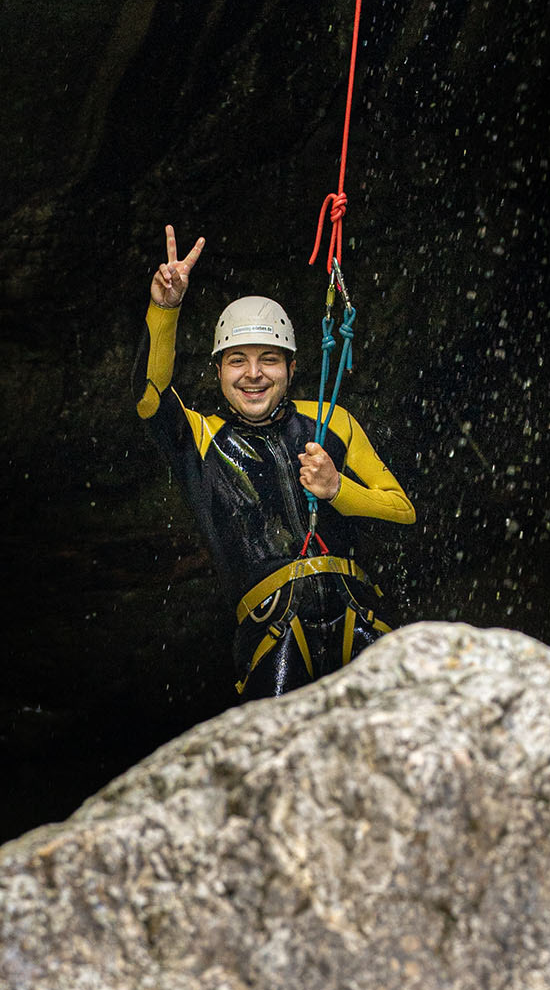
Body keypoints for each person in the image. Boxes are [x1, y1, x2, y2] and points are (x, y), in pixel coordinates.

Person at [136, 224, 415, 699]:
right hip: (273, 630)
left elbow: (403, 511)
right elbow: (149, 394)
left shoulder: (333, 420)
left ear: (290, 368)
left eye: (268, 359)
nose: (253, 375)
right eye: (237, 361)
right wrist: (165, 309)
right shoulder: (199, 437)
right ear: (218, 370)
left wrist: (338, 491)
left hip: (355, 613)